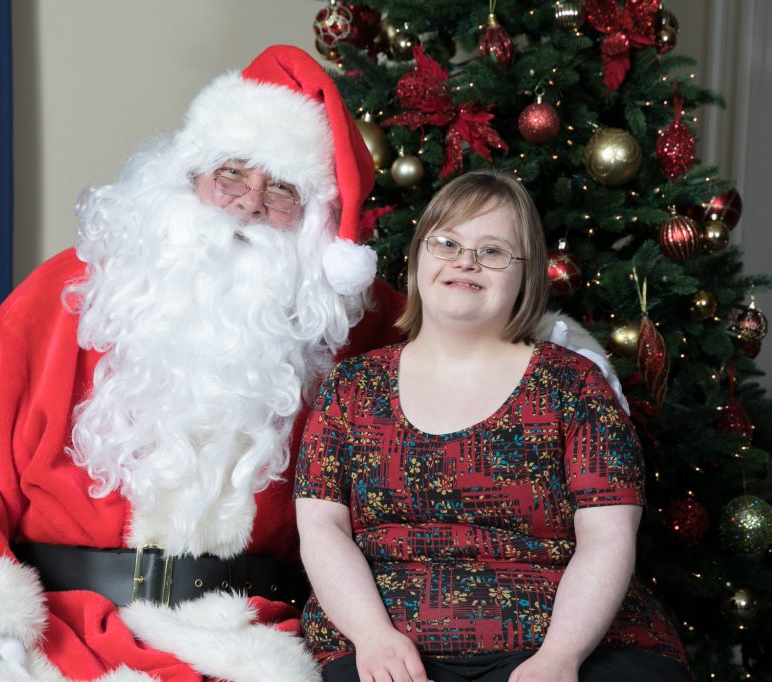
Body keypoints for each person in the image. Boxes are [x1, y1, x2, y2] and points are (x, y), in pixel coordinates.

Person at [0, 46, 408, 682]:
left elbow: (450, 419)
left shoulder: (355, 326)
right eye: (232, 175)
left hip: (248, 636)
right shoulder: (76, 290)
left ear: (314, 219)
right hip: (54, 624)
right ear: (187, 175)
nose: (249, 204)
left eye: (281, 189)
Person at [294, 170, 690, 682]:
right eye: (448, 243)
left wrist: (559, 658)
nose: (466, 261)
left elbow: (607, 538)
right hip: (383, 638)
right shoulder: (350, 387)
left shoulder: (574, 385)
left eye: (494, 250)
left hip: (566, 641)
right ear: (417, 262)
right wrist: (373, 637)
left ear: (526, 276)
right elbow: (322, 527)